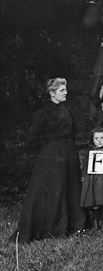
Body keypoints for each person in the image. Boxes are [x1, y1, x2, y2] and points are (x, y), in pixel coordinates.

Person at [15, 78, 86, 243]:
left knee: (70, 189)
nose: (66, 92)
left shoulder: (67, 111)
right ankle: (50, 227)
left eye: (65, 89)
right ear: (52, 93)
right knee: (54, 190)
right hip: (50, 158)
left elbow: (72, 133)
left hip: (68, 156)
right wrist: (45, 154)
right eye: (62, 90)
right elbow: (32, 138)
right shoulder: (42, 113)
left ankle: (71, 225)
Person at [80, 127, 103, 229]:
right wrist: (83, 179)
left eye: (102, 138)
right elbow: (85, 166)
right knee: (94, 202)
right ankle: (96, 224)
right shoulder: (90, 152)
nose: (99, 140)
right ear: (92, 139)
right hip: (92, 180)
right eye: (96, 138)